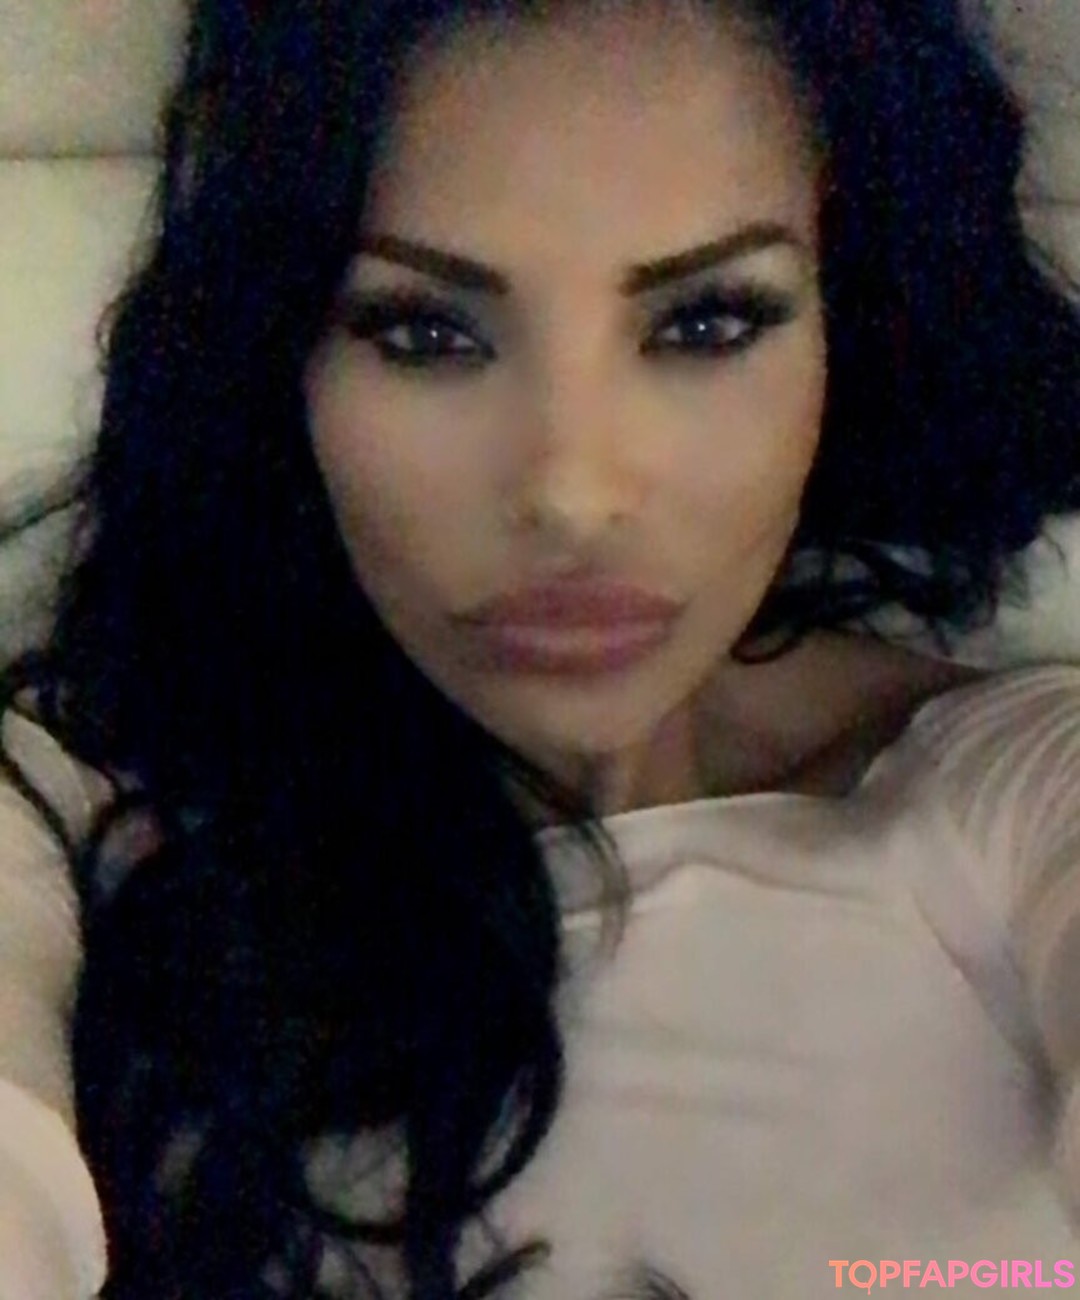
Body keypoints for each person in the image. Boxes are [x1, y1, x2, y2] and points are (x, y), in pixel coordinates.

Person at [3, 0, 1080, 1296]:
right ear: (278, 357)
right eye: (425, 332)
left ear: (850, 327)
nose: (572, 494)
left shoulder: (1022, 788)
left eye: (707, 322)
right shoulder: (78, 814)